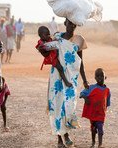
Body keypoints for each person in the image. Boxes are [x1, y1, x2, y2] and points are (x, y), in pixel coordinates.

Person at [40, 18, 89, 148]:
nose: (71, 25)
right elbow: (45, 51)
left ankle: (66, 133)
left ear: (76, 25)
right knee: (56, 104)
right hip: (57, 75)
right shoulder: (57, 38)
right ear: (65, 23)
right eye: (69, 23)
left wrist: (84, 80)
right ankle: (60, 138)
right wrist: (42, 48)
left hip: (72, 77)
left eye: (74, 23)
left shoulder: (79, 40)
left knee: (69, 105)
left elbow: (81, 62)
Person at [80, 68, 111, 148]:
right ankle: (93, 142)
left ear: (105, 77)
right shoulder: (91, 87)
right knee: (93, 128)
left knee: (100, 128)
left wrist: (104, 110)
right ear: (95, 78)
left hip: (101, 114)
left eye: (102, 76)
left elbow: (107, 103)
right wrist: (85, 98)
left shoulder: (107, 90)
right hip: (93, 113)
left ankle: (100, 144)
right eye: (97, 76)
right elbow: (82, 93)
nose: (100, 78)